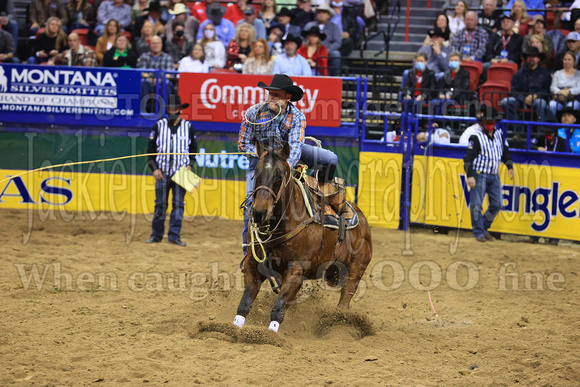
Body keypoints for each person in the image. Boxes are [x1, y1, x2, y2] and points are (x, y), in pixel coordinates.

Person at [238, 74, 339, 255]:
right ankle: (249, 254)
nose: (272, 97)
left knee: (330, 159)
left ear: (287, 98)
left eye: (277, 94)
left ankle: (322, 194)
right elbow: (243, 143)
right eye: (270, 94)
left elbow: (295, 147)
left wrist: (286, 167)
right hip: (261, 163)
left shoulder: (297, 116)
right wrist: (262, 157)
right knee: (250, 206)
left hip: (289, 159)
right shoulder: (253, 112)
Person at [146, 95, 198, 247]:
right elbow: (150, 150)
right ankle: (156, 235)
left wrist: (190, 165)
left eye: (175, 108)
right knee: (160, 204)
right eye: (170, 108)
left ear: (180, 109)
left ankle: (174, 236)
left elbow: (193, 149)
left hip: (181, 172)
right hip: (161, 171)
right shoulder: (158, 125)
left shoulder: (188, 127)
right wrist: (154, 169)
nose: (173, 111)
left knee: (178, 205)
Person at [464, 104, 514, 242]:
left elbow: (505, 152)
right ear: (483, 122)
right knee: (476, 205)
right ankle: (479, 232)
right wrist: (470, 175)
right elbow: (468, 158)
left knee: (497, 204)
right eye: (487, 122)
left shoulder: (499, 134)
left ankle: (483, 228)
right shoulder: (476, 137)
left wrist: (509, 166)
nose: (490, 125)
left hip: (494, 174)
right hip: (480, 174)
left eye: (491, 122)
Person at [501, 47, 551, 124]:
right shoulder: (519, 73)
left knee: (541, 103)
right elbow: (514, 90)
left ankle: (541, 132)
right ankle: (517, 129)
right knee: (506, 102)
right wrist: (524, 99)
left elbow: (547, 90)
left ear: (538, 59)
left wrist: (535, 95)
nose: (531, 58)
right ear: (526, 59)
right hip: (521, 100)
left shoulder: (545, 73)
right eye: (529, 56)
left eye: (534, 56)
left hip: (538, 99)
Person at [138, 36, 175, 111]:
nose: (156, 45)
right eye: (154, 43)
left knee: (167, 83)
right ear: (150, 45)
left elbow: (170, 73)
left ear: (161, 45)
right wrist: (151, 79)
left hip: (162, 81)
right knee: (143, 82)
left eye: (158, 43)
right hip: (149, 81)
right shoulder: (144, 56)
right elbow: (142, 72)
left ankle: (163, 110)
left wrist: (160, 79)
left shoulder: (168, 57)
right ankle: (142, 110)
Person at [304, 4, 342, 76]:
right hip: (310, 49)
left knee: (336, 54)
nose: (321, 15)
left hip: (327, 50)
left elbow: (338, 42)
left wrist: (327, 50)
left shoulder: (334, 26)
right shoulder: (309, 25)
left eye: (323, 13)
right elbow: (303, 39)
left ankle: (333, 76)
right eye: (319, 12)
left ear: (329, 15)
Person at [548, 51, 580, 121]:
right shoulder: (557, 73)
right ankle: (556, 126)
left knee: (572, 106)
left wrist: (568, 91)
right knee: (551, 105)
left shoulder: (578, 74)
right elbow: (552, 87)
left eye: (569, 59)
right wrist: (560, 92)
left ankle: (570, 127)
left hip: (573, 98)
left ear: (574, 61)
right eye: (565, 59)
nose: (567, 61)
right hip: (559, 98)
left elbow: (579, 88)